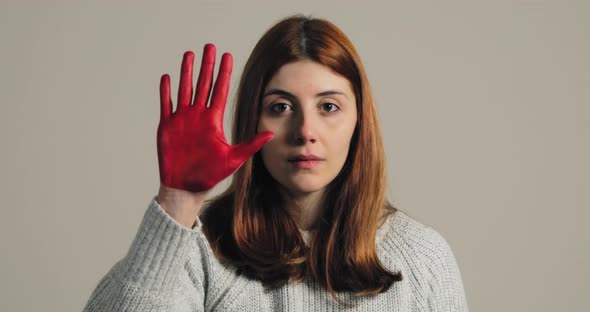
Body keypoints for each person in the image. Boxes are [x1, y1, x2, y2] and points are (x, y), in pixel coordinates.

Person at [83, 14, 468, 311]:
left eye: (328, 107)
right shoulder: (201, 251)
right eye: (280, 107)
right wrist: (177, 201)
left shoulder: (422, 256)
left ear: (359, 122)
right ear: (252, 119)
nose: (305, 131)